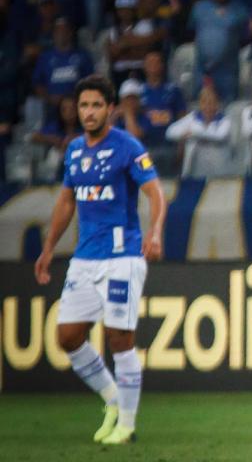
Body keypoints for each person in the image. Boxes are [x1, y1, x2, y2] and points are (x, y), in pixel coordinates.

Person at [34, 75, 166, 445]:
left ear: (111, 109)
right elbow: (66, 202)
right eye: (83, 106)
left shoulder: (127, 147)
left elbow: (156, 194)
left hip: (122, 257)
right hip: (84, 258)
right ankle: (112, 398)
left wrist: (154, 233)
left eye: (96, 105)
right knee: (68, 336)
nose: (89, 112)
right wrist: (48, 248)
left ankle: (126, 424)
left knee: (119, 337)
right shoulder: (75, 150)